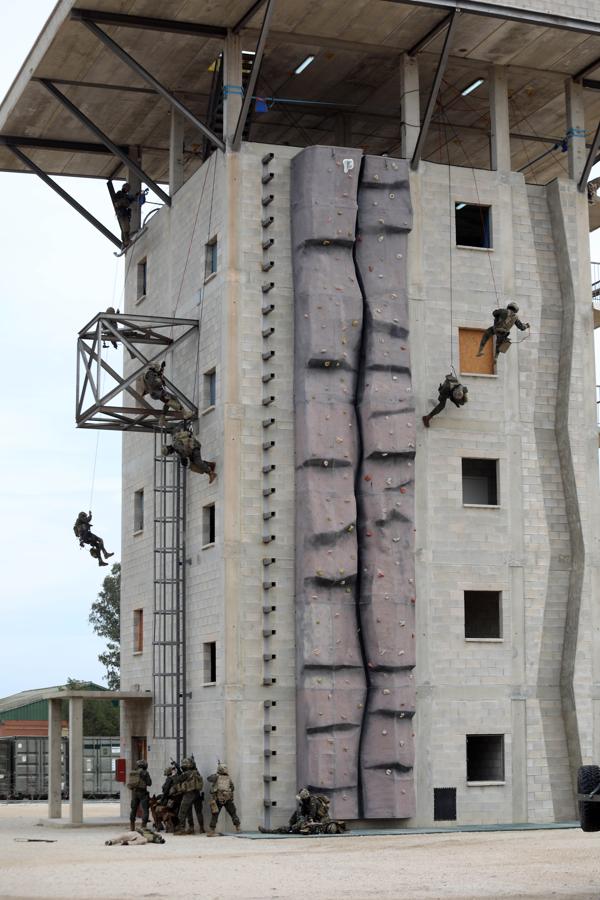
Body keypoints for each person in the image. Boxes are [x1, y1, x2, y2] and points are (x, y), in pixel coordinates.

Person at [258, 788, 335, 835]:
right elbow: (302, 812)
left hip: (319, 822)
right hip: (312, 820)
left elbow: (312, 814)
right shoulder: (306, 803)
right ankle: (286, 828)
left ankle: (290, 828)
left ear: (304, 797)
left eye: (302, 798)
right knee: (295, 819)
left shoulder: (312, 801)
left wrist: (304, 821)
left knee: (293, 828)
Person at [172, 757, 205, 835]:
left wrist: (174, 774)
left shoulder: (187, 773)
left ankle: (182, 829)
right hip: (197, 793)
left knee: (182, 812)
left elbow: (177, 780)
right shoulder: (196, 772)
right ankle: (201, 828)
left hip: (188, 794)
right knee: (198, 812)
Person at [206, 763, 241, 835]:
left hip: (218, 799)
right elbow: (232, 788)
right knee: (233, 813)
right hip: (228, 799)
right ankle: (238, 827)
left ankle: (212, 830)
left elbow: (208, 779)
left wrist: (216, 774)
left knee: (215, 814)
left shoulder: (216, 776)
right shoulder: (228, 778)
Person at [108, 180, 140, 247]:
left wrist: (136, 195)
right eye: (127, 188)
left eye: (128, 189)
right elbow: (117, 203)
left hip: (124, 213)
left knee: (126, 228)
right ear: (124, 188)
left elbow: (130, 200)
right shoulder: (119, 194)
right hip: (121, 213)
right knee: (125, 228)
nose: (127, 190)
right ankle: (126, 241)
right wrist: (124, 201)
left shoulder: (126, 196)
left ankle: (125, 241)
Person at [127, 759, 152, 831]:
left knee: (133, 809)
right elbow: (149, 783)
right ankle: (143, 826)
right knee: (145, 810)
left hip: (134, 793)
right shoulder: (145, 773)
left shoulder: (133, 772)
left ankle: (132, 826)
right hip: (143, 793)